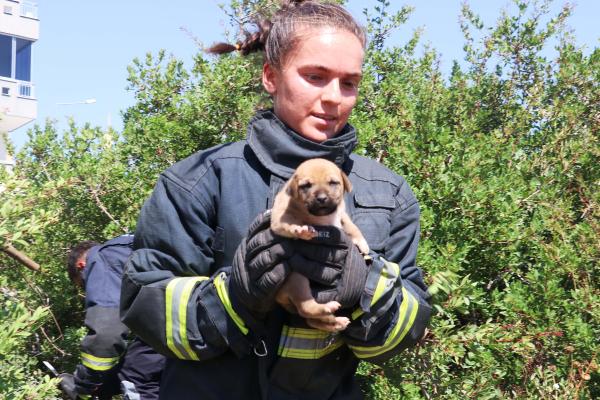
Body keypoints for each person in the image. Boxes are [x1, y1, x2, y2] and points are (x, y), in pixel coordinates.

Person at [120, 1, 431, 399]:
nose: (334, 97)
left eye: (349, 82)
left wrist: (364, 288)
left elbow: (404, 329)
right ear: (270, 76)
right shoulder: (199, 180)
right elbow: (145, 307)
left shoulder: (387, 193)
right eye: (315, 76)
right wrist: (235, 293)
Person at [60, 236, 166, 400]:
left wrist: (84, 383)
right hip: (199, 315)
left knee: (135, 377)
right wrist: (102, 388)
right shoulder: (131, 246)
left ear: (81, 266)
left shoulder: (101, 257)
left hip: (178, 322)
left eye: (83, 284)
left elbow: (106, 335)